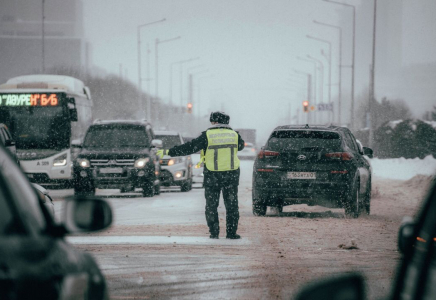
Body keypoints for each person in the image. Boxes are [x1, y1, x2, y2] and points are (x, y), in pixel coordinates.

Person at [157, 111, 245, 239]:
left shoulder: (207, 136)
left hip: (212, 176)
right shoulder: (235, 135)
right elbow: (241, 147)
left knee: (211, 206)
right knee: (232, 206)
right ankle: (231, 233)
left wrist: (168, 152)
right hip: (231, 176)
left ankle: (214, 233)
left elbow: (189, 148)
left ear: (214, 122)